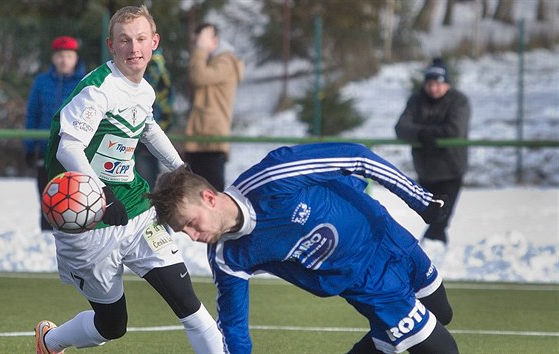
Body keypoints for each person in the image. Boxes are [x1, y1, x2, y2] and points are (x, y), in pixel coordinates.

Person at [147, 142, 458, 354]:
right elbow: (233, 327)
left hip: (387, 233)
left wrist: (420, 200)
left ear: (209, 198)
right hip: (365, 280)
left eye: (190, 223)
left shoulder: (274, 176)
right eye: (182, 231)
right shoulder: (228, 256)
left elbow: (358, 157)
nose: (190, 235)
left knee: (440, 312)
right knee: (442, 350)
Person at [36, 6, 224, 354]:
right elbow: (69, 148)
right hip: (89, 222)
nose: (133, 47)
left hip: (138, 211)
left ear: (154, 42)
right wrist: (103, 197)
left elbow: (147, 126)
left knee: (190, 307)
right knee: (112, 325)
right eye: (124, 40)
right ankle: (50, 342)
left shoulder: (144, 90)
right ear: (112, 45)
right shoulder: (97, 90)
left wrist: (179, 167)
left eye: (140, 39)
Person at [395, 58, 471, 245]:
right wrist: (423, 133)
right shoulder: (416, 100)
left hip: (450, 169)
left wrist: (425, 133)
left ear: (447, 84)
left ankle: (428, 251)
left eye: (438, 84)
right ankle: (433, 251)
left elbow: (454, 130)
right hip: (425, 169)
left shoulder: (459, 101)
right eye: (430, 83)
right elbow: (401, 127)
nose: (433, 88)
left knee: (440, 219)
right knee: (431, 216)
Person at [25, 35, 86, 231]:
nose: (64, 60)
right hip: (46, 150)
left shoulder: (85, 83)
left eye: (68, 55)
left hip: (75, 150)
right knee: (46, 197)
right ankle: (44, 238)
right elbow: (32, 114)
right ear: (53, 58)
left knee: (75, 199)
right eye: (60, 55)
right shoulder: (42, 82)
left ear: (75, 58)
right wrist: (29, 147)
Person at [184, 23, 244, 191]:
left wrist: (201, 48)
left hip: (211, 139)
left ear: (214, 41)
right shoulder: (206, 61)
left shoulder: (226, 62)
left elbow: (199, 77)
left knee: (210, 193)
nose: (195, 48)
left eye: (199, 43)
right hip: (198, 138)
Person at [134, 47, 175, 189]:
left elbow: (164, 107)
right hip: (126, 138)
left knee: (145, 188)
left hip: (144, 139)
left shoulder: (156, 72)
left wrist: (151, 133)